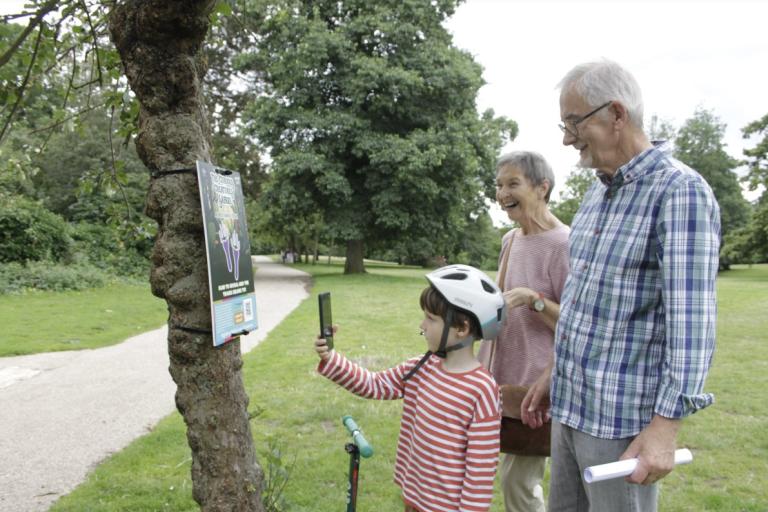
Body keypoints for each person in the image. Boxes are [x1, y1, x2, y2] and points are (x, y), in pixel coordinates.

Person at [521, 59, 720, 511]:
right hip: (570, 406)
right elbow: (584, 299)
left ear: (616, 113)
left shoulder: (679, 192)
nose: (566, 137)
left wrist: (665, 427)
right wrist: (555, 372)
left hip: (620, 423)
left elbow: (692, 327)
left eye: (573, 122)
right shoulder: (597, 191)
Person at [315, 265, 505, 512]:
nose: (422, 325)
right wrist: (331, 358)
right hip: (414, 498)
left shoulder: (482, 390)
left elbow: (480, 471)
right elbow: (375, 385)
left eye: (431, 318)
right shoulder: (421, 367)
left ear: (462, 328)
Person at [476, 151, 570, 512]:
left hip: (536, 386)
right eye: (499, 185)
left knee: (519, 483)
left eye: (513, 184)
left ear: (542, 188)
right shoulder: (510, 240)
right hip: (499, 380)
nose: (502, 194)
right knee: (500, 476)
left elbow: (577, 324)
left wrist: (534, 300)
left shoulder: (564, 244)